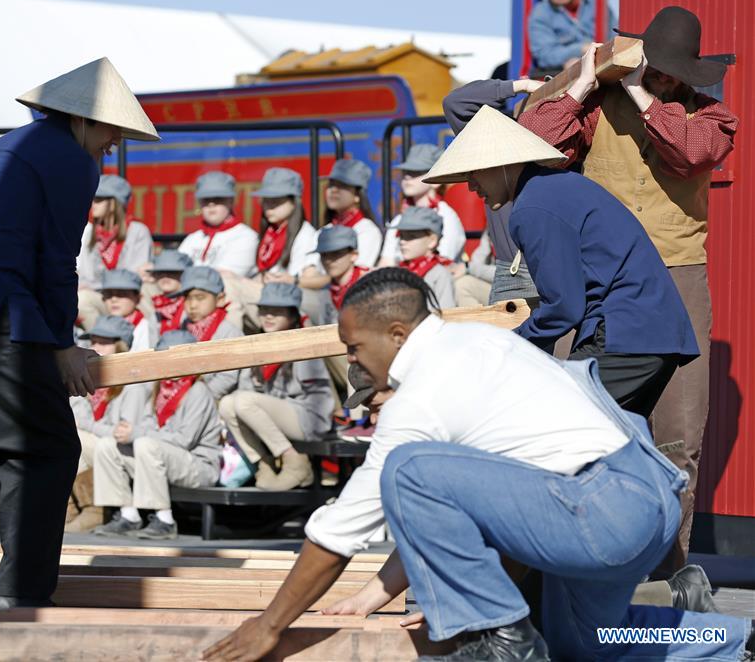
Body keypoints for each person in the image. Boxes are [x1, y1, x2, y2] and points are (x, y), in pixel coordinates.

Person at [203, 268, 754, 662]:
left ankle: (499, 639)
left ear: (397, 334)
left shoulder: (424, 393)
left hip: (601, 508)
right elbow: (490, 505)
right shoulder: (480, 347)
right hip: (642, 497)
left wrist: (269, 627)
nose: (352, 360)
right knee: (589, 642)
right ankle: (735, 639)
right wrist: (375, 595)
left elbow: (342, 528)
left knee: (408, 469)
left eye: (353, 346)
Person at [0, 57, 160, 609]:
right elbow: (56, 261)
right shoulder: (72, 160)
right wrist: (60, 345)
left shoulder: (7, 146)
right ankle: (17, 597)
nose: (113, 144)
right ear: (83, 121)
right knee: (44, 450)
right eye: (111, 132)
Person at [518, 6, 739, 569]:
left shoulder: (711, 116)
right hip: (599, 279)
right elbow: (530, 143)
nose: (662, 77)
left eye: (671, 72)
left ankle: (668, 569)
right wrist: (585, 83)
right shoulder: (597, 108)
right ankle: (573, 562)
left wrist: (644, 96)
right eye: (654, 68)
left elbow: (691, 153)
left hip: (677, 272)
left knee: (677, 431)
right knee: (576, 414)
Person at [425, 105, 698, 418]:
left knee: (553, 425)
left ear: (500, 164)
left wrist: (510, 347)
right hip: (648, 332)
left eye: (473, 173)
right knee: (609, 445)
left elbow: (563, 308)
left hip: (626, 335)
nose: (471, 186)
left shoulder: (533, 207)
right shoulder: (552, 189)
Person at [93, 330, 221, 540]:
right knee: (107, 445)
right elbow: (146, 422)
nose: (167, 362)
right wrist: (128, 432)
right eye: (163, 356)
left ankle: (165, 520)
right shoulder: (161, 387)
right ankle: (128, 515)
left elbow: (184, 440)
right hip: (165, 458)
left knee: (145, 444)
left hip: (199, 465)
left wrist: (138, 434)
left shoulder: (197, 390)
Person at [219, 283, 334, 491]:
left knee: (243, 401)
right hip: (276, 415)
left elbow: (314, 398)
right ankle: (263, 463)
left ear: (292, 316)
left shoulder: (304, 342)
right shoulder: (257, 342)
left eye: (278, 311)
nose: (268, 316)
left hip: (309, 418)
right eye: (264, 310)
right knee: (227, 404)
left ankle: (296, 463)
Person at [442, 78, 546, 303]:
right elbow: (455, 103)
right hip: (510, 270)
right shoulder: (493, 141)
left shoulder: (559, 147)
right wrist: (522, 86)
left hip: (545, 268)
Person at [68, 315, 151, 533]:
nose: (96, 347)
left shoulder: (133, 385)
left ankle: (95, 511)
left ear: (121, 346)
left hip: (127, 450)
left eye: (104, 342)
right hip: (99, 445)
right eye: (93, 341)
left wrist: (86, 424)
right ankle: (71, 508)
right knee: (67, 438)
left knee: (72, 436)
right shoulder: (91, 378)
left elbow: (120, 432)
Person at [223, 167, 320, 329]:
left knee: (229, 285)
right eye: (266, 200)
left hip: (291, 301)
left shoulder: (307, 234)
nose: (269, 206)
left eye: (276, 200)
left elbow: (313, 279)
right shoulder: (270, 233)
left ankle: (229, 345)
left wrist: (290, 279)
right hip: (270, 298)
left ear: (293, 201)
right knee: (225, 281)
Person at [77, 174, 153, 329]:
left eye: (99, 199)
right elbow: (83, 273)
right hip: (100, 295)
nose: (93, 204)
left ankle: (149, 346)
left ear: (113, 203)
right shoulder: (88, 232)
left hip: (128, 296)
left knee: (147, 292)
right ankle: (101, 343)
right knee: (81, 299)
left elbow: (136, 276)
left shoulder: (137, 231)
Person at [299, 159, 381, 292]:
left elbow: (354, 276)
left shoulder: (367, 230)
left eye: (342, 186)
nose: (334, 190)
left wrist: (296, 281)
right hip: (321, 296)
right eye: (331, 185)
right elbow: (308, 272)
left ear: (357, 195)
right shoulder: (324, 230)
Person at [379, 144, 465, 266]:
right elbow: (386, 263)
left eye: (416, 172)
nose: (407, 177)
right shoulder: (398, 220)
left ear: (436, 180)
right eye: (406, 172)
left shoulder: (447, 218)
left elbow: (443, 263)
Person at [174, 266, 242, 400]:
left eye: (200, 298)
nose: (192, 305)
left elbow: (227, 378)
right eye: (188, 298)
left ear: (220, 299)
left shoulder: (228, 332)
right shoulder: (183, 327)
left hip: (217, 400)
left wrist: (193, 401)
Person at [177, 171, 259, 278]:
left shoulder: (246, 236)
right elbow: (175, 270)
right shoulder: (193, 238)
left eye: (218, 198)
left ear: (231, 201)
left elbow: (222, 280)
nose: (211, 204)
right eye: (205, 200)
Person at [528, 0, 596, 75]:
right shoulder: (541, 13)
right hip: (562, 76)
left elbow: (614, 36)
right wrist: (581, 49)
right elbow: (545, 55)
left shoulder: (596, 3)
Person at [394, 206, 456, 309]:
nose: (402, 242)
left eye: (411, 236)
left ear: (432, 241)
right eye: (401, 236)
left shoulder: (439, 274)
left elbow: (447, 313)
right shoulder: (399, 271)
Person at [314, 225, 369, 326]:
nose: (328, 260)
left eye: (335, 253)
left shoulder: (371, 284)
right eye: (324, 254)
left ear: (353, 255)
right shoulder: (325, 292)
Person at [101, 269, 156, 351]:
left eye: (121, 294)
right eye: (108, 294)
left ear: (138, 298)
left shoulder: (146, 328)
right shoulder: (100, 327)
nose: (114, 299)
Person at [147, 249, 193, 337]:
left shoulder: (191, 305)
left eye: (173, 272)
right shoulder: (157, 306)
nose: (165, 276)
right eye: (160, 273)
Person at [453, 229, 495, 307]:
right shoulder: (491, 228)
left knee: (462, 285)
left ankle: (475, 319)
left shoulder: (515, 226)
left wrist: (468, 267)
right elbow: (478, 259)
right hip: (496, 286)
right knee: (456, 280)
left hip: (515, 289)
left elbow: (509, 274)